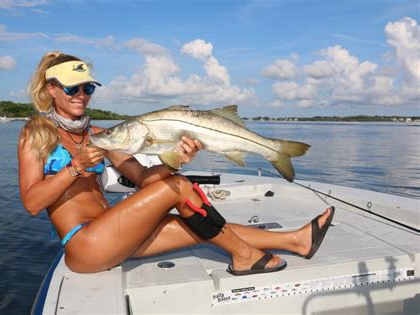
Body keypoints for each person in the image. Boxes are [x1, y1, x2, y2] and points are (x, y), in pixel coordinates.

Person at [18, 51, 335, 275]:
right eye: (73, 88)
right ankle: (243, 257)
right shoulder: (35, 135)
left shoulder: (101, 135)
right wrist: (74, 167)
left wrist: (175, 161)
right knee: (181, 188)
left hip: (117, 236)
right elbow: (32, 203)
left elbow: (144, 179)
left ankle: (295, 240)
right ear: (51, 90)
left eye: (88, 88)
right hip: (85, 245)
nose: (82, 95)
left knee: (191, 225)